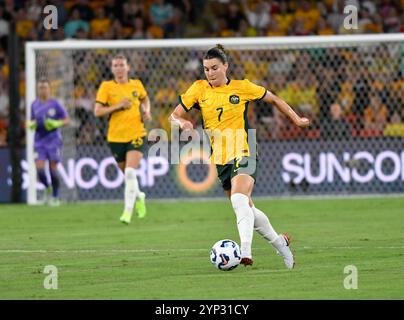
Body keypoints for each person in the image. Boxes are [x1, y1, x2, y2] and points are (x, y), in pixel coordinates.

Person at [169, 45, 310, 269]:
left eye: (214, 68)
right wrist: (183, 122)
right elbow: (174, 115)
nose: (210, 73)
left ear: (225, 66)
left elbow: (273, 99)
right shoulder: (198, 89)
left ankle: (245, 251)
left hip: (245, 148)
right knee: (247, 208)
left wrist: (296, 119)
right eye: (206, 69)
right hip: (220, 157)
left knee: (238, 199)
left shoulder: (242, 87)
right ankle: (280, 243)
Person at [94, 54, 152, 224]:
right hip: (116, 137)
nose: (119, 68)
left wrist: (147, 110)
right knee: (129, 176)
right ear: (112, 69)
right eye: (116, 65)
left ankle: (127, 212)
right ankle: (140, 196)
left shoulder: (136, 84)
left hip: (137, 134)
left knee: (129, 172)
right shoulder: (106, 87)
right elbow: (97, 111)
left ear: (128, 67)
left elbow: (145, 98)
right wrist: (118, 105)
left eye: (121, 65)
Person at [27, 79, 70, 206]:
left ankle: (55, 197)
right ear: (37, 89)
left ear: (49, 89)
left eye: (45, 87)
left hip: (53, 140)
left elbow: (67, 119)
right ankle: (47, 188)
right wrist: (31, 124)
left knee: (53, 169)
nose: (43, 90)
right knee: (39, 170)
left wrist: (57, 123)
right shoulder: (34, 104)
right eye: (40, 88)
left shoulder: (55, 104)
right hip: (39, 140)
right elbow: (31, 120)